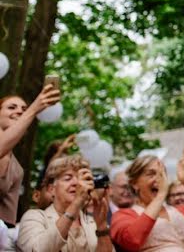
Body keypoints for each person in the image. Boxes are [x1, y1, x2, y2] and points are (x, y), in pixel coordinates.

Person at [110, 148, 184, 252]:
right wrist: (160, 195)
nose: (159, 179)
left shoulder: (180, 211)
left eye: (162, 173)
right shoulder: (123, 215)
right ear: (134, 183)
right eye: (151, 174)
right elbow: (132, 240)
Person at [17, 156, 112, 252]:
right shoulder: (34, 217)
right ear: (51, 189)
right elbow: (37, 249)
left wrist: (101, 226)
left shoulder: (91, 223)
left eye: (81, 179)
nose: (76, 183)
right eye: (68, 178)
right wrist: (76, 203)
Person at [1, 85, 62, 227]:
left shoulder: (17, 168)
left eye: (24, 109)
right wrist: (34, 108)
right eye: (12, 107)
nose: (19, 111)